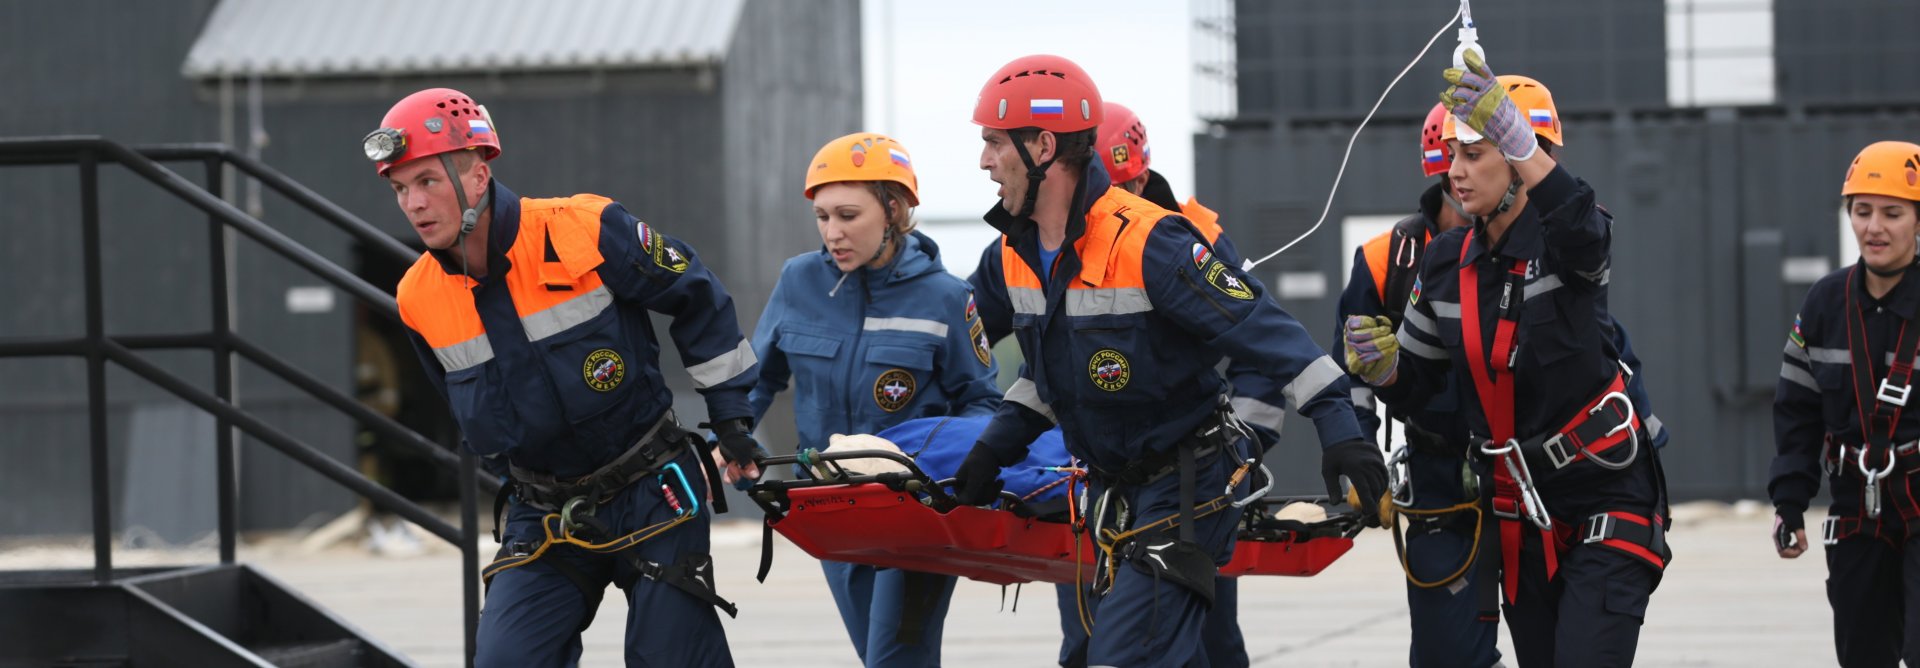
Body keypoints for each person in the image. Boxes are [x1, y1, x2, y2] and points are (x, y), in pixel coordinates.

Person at [951, 54, 1387, 667]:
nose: (984, 161)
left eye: (994, 143)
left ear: (1043, 147)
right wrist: (991, 451)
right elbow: (1049, 379)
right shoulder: (1010, 258)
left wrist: (1342, 433)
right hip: (1110, 493)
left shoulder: (1153, 242)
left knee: (1124, 657)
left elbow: (1271, 336)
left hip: (1188, 490)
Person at [373, 87, 761, 667]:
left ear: (477, 177)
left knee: (672, 656)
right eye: (401, 188)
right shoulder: (417, 298)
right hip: (543, 512)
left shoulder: (585, 229)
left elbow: (697, 297)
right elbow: (457, 403)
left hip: (652, 490)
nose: (413, 203)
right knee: (505, 660)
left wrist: (730, 422)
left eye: (427, 181)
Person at [1344, 56, 1672, 667]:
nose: (1456, 173)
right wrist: (1383, 370)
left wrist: (1521, 138)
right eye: (1452, 156)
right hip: (1521, 507)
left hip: (1607, 490)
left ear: (1523, 160)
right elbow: (1418, 386)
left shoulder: (1571, 241)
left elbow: (1582, 230)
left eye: (1475, 154)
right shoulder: (1444, 265)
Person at [748, 132, 1002, 667]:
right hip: (828, 506)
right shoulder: (798, 282)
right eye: (822, 217)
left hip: (915, 514)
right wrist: (732, 437)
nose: (832, 233)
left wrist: (948, 469)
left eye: (847, 215)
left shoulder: (947, 298)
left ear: (894, 210)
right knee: (877, 657)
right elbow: (755, 380)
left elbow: (981, 405)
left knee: (894, 660)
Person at [1771, 140, 1920, 667]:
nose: (1874, 227)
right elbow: (1797, 412)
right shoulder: (1824, 303)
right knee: (1862, 653)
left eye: (1892, 213)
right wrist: (1789, 502)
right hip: (1858, 509)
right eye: (1862, 211)